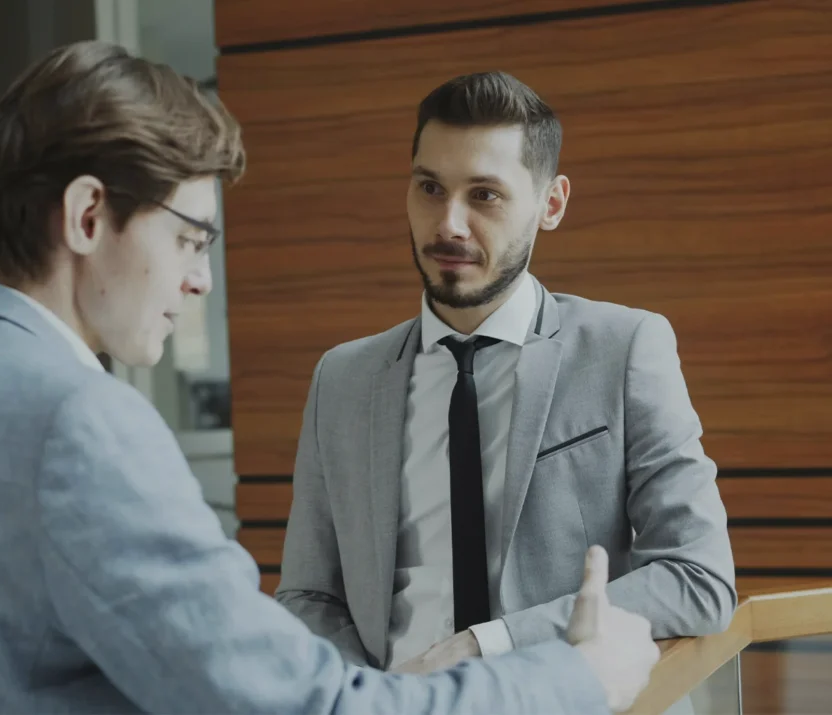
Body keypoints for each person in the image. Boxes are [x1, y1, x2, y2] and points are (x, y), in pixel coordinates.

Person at [0, 42, 659, 715]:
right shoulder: (77, 425)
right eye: (189, 238)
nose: (200, 281)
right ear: (87, 215)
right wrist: (579, 678)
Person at [276, 71, 737, 675]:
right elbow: (309, 596)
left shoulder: (624, 349)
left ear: (551, 204)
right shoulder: (342, 379)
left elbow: (698, 578)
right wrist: (373, 700)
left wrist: (485, 645)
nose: (449, 224)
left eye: (484, 195)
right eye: (430, 188)